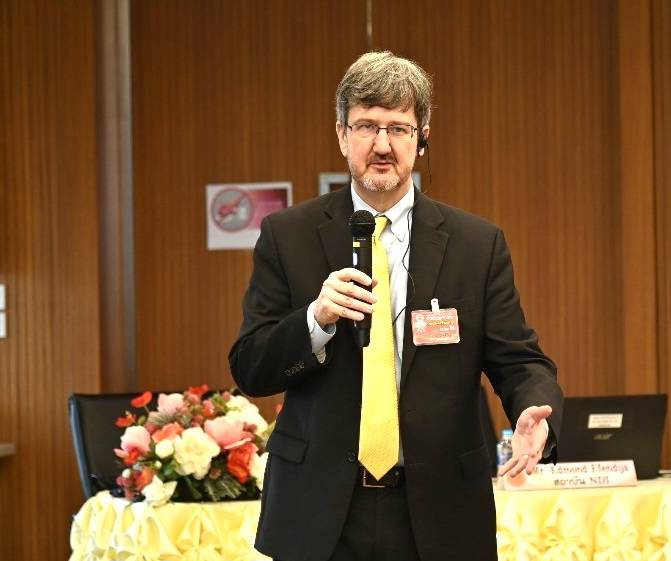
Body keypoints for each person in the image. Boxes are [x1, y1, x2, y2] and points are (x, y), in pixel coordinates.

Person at [229, 51, 563, 561]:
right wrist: (315, 320)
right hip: (318, 513)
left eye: (399, 129)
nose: (382, 145)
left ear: (421, 137)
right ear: (341, 135)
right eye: (366, 126)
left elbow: (519, 360)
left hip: (439, 512)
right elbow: (251, 367)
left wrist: (533, 412)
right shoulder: (287, 235)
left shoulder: (476, 244)